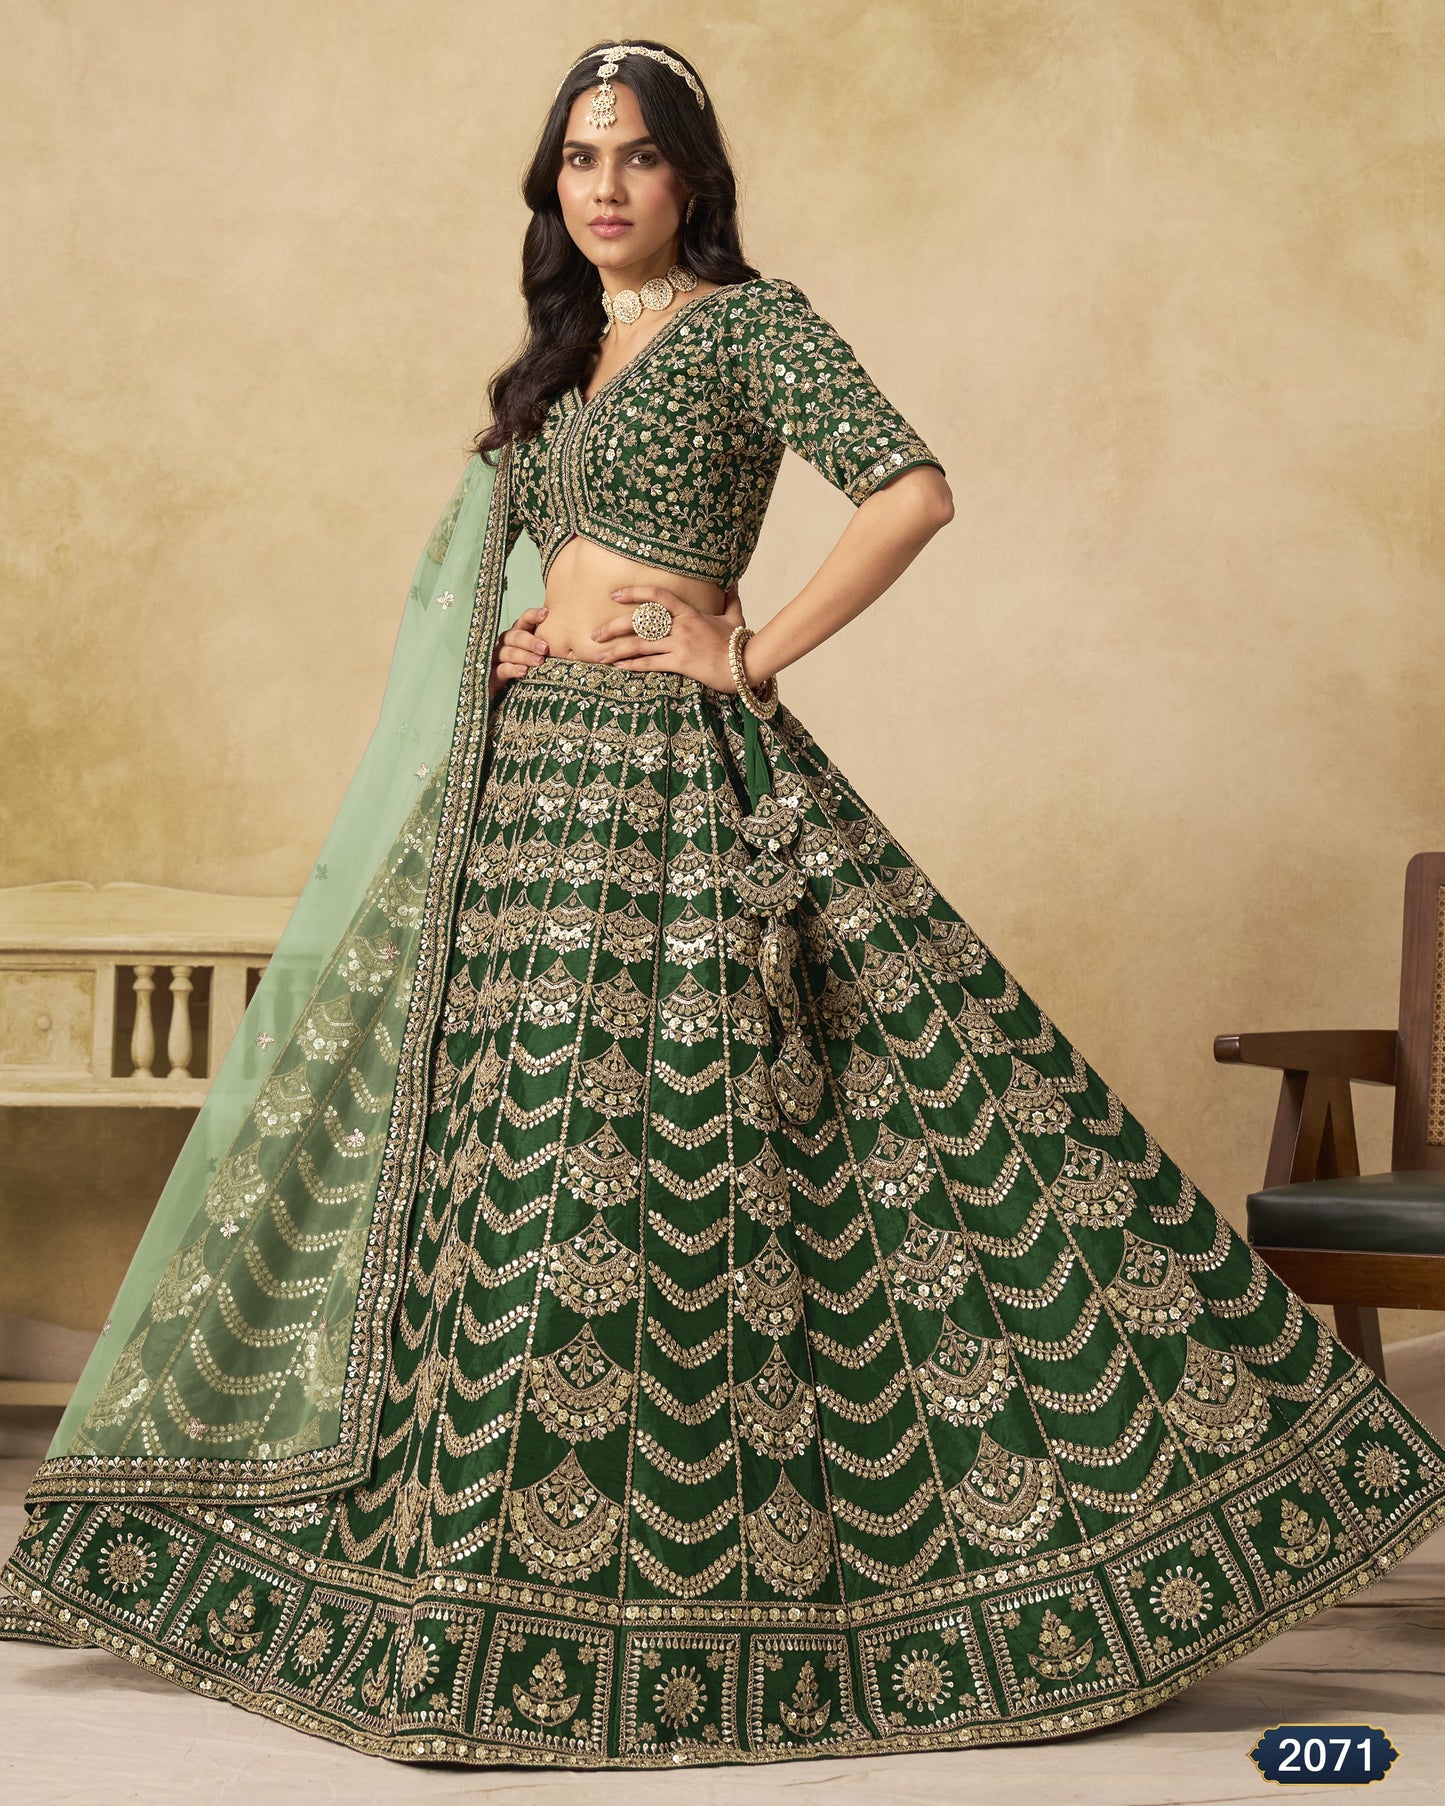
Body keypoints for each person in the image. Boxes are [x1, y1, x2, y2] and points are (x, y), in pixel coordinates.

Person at [3, 36, 1442, 1772]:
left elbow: (914, 490)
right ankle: (468, 1581)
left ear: (692, 176)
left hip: (678, 796)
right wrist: (531, 624)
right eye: (575, 160)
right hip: (524, 797)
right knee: (501, 1168)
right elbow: (532, 562)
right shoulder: (557, 362)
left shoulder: (755, 326)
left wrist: (741, 647)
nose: (599, 187)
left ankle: (720, 1588)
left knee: (686, 1154)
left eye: (633, 157)